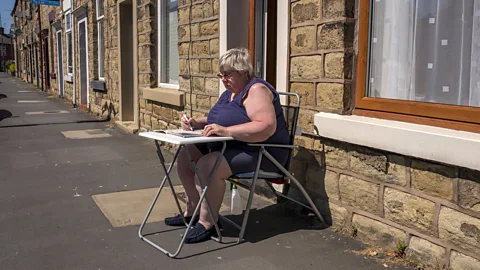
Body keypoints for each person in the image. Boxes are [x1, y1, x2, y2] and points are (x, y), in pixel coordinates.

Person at [164, 47, 290, 243]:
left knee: (208, 165)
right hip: (233, 146)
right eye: (221, 74)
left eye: (228, 74)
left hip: (261, 152)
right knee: (186, 154)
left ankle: (208, 222)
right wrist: (197, 122)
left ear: (244, 72)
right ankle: (193, 211)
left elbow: (265, 127)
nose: (223, 79)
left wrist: (226, 131)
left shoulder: (256, 90)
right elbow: (222, 118)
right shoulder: (230, 93)